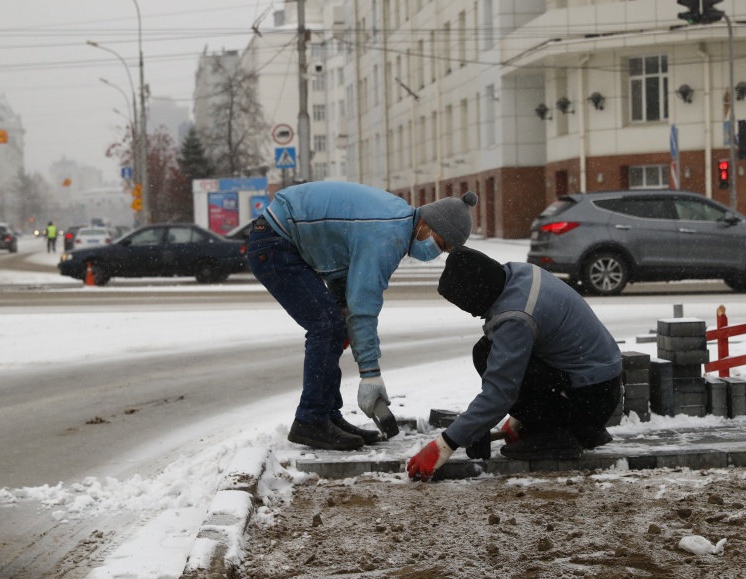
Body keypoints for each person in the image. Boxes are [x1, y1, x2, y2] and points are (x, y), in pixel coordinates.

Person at [248, 181, 477, 451]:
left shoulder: (398, 220)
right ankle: (310, 419)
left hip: (280, 238)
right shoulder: (388, 234)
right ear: (428, 226)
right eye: (441, 244)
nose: (436, 253)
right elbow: (364, 305)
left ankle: (327, 416)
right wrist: (370, 374)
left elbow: (338, 265)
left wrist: (342, 308)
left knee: (335, 325)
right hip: (275, 243)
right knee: (326, 327)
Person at [407, 247, 623, 480]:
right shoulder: (519, 274)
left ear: (478, 294)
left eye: (469, 306)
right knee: (489, 350)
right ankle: (578, 430)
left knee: (485, 354)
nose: (473, 315)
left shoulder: (515, 318)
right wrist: (520, 418)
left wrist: (443, 445)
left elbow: (500, 394)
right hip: (600, 387)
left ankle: (560, 436)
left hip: (590, 400)